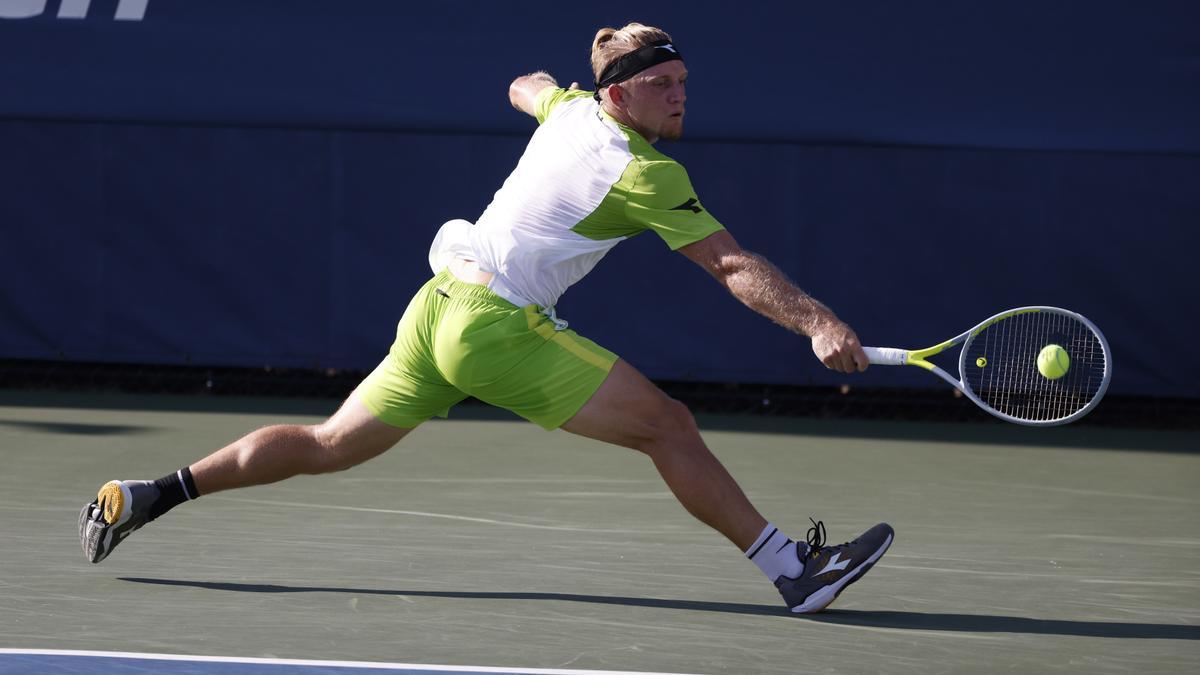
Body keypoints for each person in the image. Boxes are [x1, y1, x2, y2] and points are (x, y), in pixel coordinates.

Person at [79, 22, 893, 614]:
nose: (679, 97)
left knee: (329, 442)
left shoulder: (573, 110)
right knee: (669, 426)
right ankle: (794, 571)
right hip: (495, 323)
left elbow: (526, 84)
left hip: (437, 307)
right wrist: (817, 321)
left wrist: (548, 89)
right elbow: (732, 264)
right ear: (620, 94)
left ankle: (154, 492)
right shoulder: (644, 172)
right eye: (661, 85)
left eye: (683, 82)